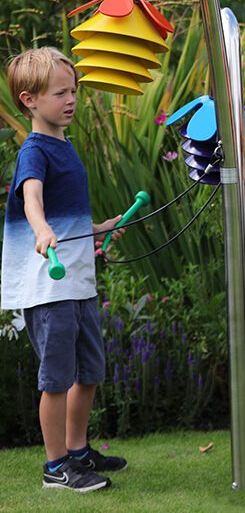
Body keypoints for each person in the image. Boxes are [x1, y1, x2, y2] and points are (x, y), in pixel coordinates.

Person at [1, 48, 125, 492]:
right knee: (57, 379)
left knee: (89, 370)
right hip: (48, 290)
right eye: (60, 93)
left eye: (73, 90)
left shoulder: (64, 145)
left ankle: (77, 451)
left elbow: (65, 213)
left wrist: (98, 229)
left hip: (77, 282)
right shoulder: (35, 152)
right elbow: (32, 198)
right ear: (29, 99)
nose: (71, 99)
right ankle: (56, 467)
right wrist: (39, 228)